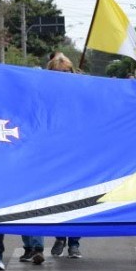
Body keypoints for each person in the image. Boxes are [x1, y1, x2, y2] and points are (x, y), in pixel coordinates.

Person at [45, 54, 84, 259]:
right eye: (60, 73)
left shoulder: (80, 95)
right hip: (55, 155)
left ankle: (74, 242)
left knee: (77, 199)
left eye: (67, 72)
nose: (64, 76)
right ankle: (60, 236)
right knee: (60, 199)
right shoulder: (46, 97)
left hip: (77, 154)